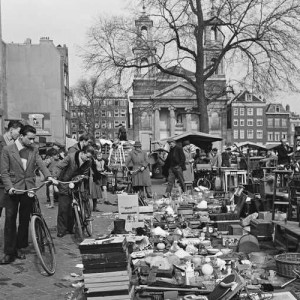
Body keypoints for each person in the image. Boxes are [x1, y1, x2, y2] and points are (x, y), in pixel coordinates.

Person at [0, 125, 57, 264]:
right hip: (14, 189)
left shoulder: (34, 149)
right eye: (30, 138)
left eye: (33, 138)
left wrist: (48, 176)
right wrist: (9, 187)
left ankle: (19, 247)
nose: (32, 141)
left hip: (28, 189)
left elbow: (41, 164)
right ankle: (9, 251)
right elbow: (4, 172)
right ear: (21, 136)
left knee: (25, 220)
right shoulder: (8, 150)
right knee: (10, 220)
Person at [51, 145, 95, 238]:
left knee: (73, 208)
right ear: (82, 153)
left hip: (76, 184)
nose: (88, 159)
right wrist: (54, 178)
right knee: (63, 208)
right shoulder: (70, 157)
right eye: (87, 156)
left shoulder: (89, 161)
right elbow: (58, 167)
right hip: (65, 183)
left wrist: (82, 177)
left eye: (90, 158)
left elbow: (86, 173)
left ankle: (70, 228)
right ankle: (61, 230)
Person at [0, 120, 23, 219]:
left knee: (11, 213)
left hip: (11, 182)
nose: (19, 134)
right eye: (18, 131)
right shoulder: (0, 141)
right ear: (11, 130)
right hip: (0, 182)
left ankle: (10, 234)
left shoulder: (15, 144)